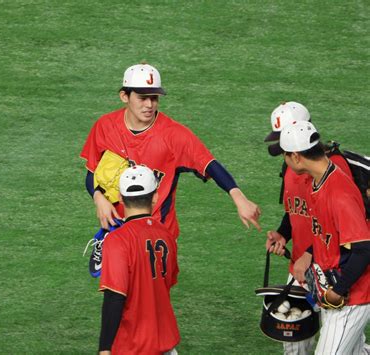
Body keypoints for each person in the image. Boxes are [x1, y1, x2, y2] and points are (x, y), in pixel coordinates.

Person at [80, 63, 261, 273]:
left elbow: (209, 164)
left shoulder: (174, 136)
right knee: (117, 298)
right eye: (142, 97)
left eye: (154, 98)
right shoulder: (104, 127)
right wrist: (98, 198)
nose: (149, 104)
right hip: (118, 231)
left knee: (148, 300)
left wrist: (239, 198)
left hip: (157, 236)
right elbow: (91, 175)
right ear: (124, 96)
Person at [264, 102, 353, 354]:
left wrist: (309, 254)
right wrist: (283, 233)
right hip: (302, 269)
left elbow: (338, 224)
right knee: (293, 343)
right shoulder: (289, 166)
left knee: (341, 344)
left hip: (333, 269)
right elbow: (295, 209)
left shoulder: (333, 168)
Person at [276, 121, 370, 355]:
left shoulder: (338, 192)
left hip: (353, 296)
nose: (284, 162)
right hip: (332, 287)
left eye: (285, 156)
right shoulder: (319, 182)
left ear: (296, 156)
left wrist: (338, 290)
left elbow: (364, 249)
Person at [98, 165, 179, 354]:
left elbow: (114, 297)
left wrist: (104, 348)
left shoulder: (118, 240)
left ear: (120, 197)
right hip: (166, 343)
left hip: (133, 346)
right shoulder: (167, 235)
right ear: (155, 198)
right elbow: (167, 281)